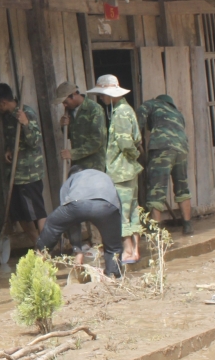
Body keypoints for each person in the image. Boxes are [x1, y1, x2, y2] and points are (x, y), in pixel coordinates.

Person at [86, 75, 143, 263]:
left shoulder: (120, 113)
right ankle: (135, 250)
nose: (101, 99)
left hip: (121, 170)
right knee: (133, 210)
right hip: (128, 170)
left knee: (122, 213)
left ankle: (128, 251)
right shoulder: (124, 110)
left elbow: (125, 142)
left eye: (102, 95)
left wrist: (133, 155)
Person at [36, 167, 124, 278]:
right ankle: (113, 275)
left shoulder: (70, 181)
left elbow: (71, 222)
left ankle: (39, 259)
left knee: (52, 224)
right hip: (108, 205)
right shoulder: (102, 175)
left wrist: (78, 251)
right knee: (114, 247)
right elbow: (118, 203)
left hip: (78, 204)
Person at [0, 83, 46, 246]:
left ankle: (46, 247)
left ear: (2, 103)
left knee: (37, 212)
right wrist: (8, 150)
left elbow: (34, 142)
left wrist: (26, 123)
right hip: (15, 174)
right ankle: (38, 244)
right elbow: (13, 140)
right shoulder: (7, 117)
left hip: (30, 173)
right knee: (20, 214)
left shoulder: (27, 113)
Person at [136, 94, 194, 234]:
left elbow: (137, 119)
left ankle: (155, 231)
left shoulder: (151, 104)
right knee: (182, 187)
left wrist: (136, 138)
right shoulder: (178, 114)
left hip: (161, 147)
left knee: (156, 189)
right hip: (181, 148)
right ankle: (187, 226)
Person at [56, 82, 107, 172]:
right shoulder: (70, 111)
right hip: (78, 165)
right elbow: (71, 136)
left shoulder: (94, 109)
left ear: (74, 95)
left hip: (93, 166)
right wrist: (64, 126)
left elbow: (97, 141)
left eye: (66, 102)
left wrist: (73, 153)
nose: (64, 105)